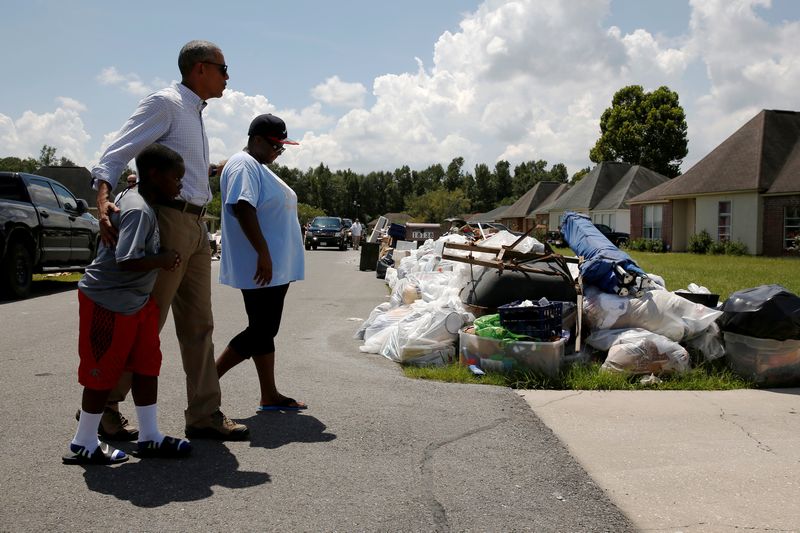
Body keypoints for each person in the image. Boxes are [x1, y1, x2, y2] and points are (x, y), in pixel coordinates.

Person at [90, 40, 248, 441]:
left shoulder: (192, 111)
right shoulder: (166, 103)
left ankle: (204, 414)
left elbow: (184, 168)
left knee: (199, 326)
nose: (228, 77)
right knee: (145, 322)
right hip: (168, 224)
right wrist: (103, 200)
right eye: (223, 69)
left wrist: (213, 169)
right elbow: (115, 152)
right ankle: (103, 407)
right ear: (199, 68)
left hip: (195, 226)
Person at [65, 144, 190, 464]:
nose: (179, 185)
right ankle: (83, 442)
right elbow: (125, 260)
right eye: (176, 178)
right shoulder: (136, 209)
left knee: (147, 366)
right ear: (154, 175)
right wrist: (162, 259)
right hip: (108, 302)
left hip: (136, 303)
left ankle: (149, 437)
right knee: (102, 371)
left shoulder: (141, 199)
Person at [215, 114, 307, 411]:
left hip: (272, 267)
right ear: (255, 140)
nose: (278, 152)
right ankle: (206, 382)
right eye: (274, 145)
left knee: (263, 328)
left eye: (282, 148)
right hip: (261, 265)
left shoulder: (253, 165)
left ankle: (269, 394)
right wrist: (264, 253)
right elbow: (243, 207)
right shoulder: (244, 165)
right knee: (261, 330)